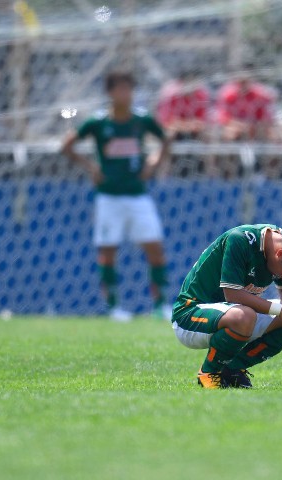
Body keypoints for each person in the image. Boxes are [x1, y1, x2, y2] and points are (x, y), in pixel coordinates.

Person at [61, 71, 172, 322]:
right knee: (108, 251)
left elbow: (166, 138)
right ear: (110, 93)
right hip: (108, 197)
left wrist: (153, 163)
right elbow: (66, 145)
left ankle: (161, 305)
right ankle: (113, 307)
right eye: (120, 89)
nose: (125, 94)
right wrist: (91, 168)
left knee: (155, 248)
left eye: (129, 89)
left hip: (137, 195)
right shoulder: (98, 123)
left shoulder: (142, 120)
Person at [170, 224, 282, 389]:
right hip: (190, 315)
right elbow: (233, 295)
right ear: (281, 254)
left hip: (235, 314)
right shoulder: (240, 240)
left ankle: (232, 368)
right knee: (244, 316)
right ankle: (209, 373)